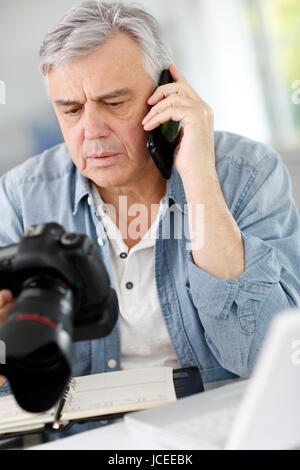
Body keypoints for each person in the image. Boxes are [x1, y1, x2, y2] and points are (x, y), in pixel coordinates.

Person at [1, 0, 300, 399]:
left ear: (165, 94)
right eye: (71, 110)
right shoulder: (23, 195)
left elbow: (266, 357)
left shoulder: (249, 173)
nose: (91, 131)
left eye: (114, 102)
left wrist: (199, 177)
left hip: (220, 421)